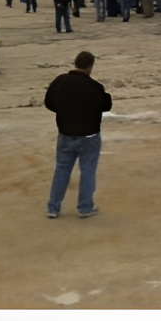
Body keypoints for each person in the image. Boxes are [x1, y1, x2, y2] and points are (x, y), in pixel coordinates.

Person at [44, 51, 113, 218]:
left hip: (66, 132)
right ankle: (85, 206)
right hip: (89, 135)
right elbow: (105, 106)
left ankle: (53, 207)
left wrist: (63, 111)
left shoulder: (60, 81)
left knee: (62, 169)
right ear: (90, 66)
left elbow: (49, 102)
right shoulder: (94, 87)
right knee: (88, 170)